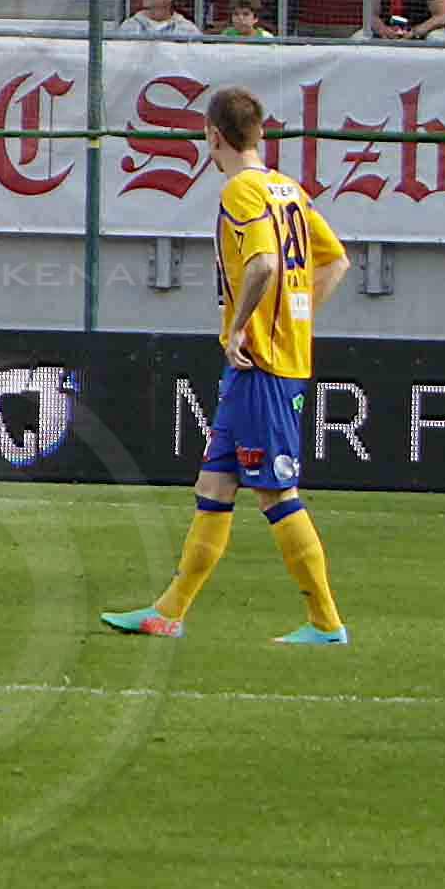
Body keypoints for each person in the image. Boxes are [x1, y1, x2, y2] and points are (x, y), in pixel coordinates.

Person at [103, 85, 352, 646]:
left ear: (212, 134)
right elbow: (335, 261)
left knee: (274, 492)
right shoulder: (289, 189)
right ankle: (168, 611)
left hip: (262, 363)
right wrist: (298, 316)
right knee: (214, 481)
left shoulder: (241, 190)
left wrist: (242, 325)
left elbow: (263, 262)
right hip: (265, 360)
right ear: (258, 132)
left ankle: (326, 621)